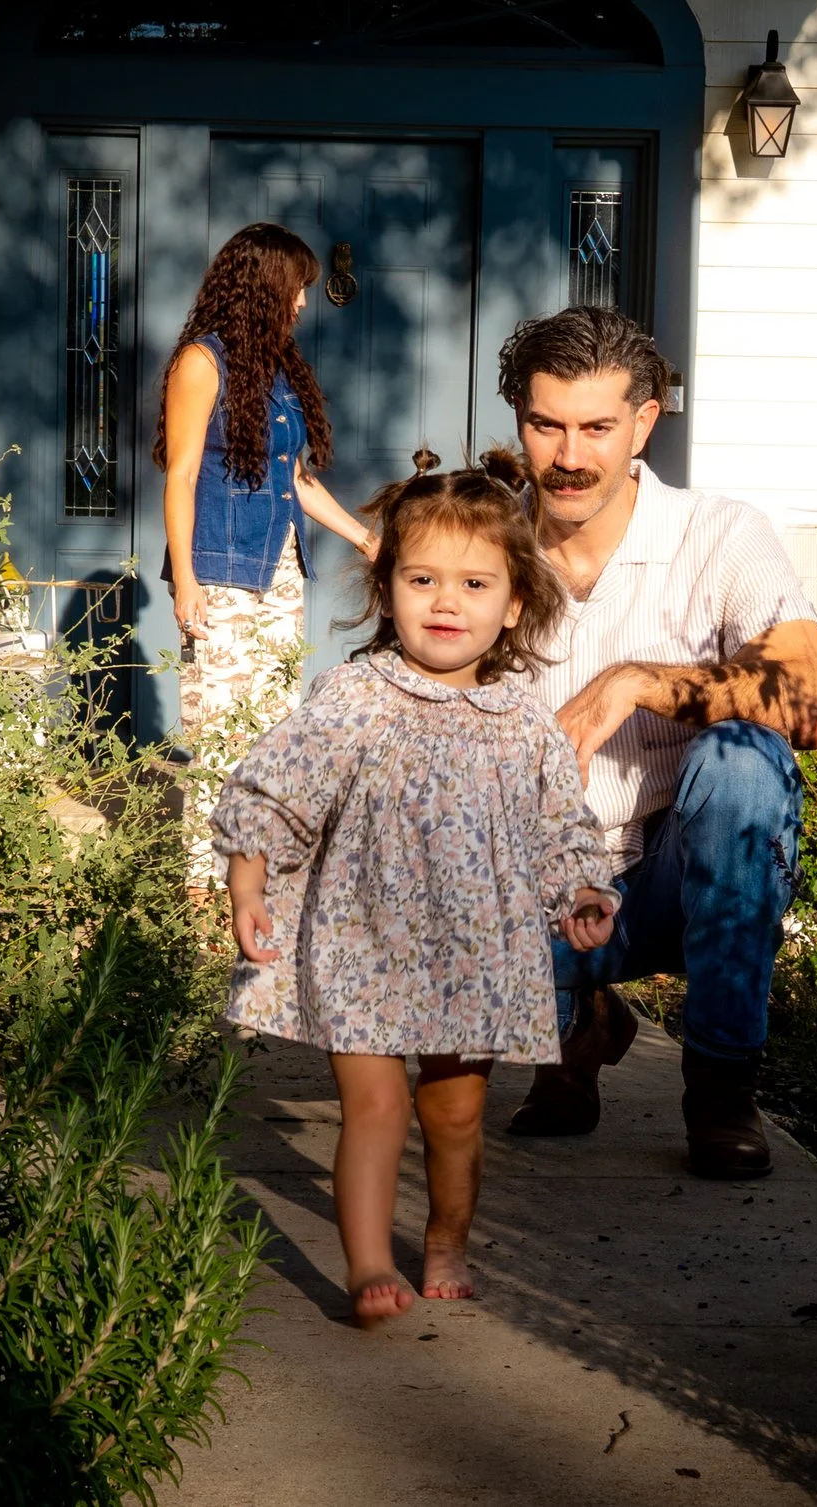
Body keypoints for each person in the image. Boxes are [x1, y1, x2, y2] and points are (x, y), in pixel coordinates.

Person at [213, 455, 621, 1322]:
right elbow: (277, 787)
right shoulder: (357, 697)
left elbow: (561, 828)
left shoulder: (524, 723)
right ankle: (366, 1265)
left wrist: (582, 890)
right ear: (388, 586)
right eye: (422, 578)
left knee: (455, 1115)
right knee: (375, 1103)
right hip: (361, 944)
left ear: (513, 603)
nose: (445, 601)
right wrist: (247, 882)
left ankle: (445, 1238)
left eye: (474, 583)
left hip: (472, 957)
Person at [498, 306, 817, 1180]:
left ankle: (722, 1085)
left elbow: (812, 702)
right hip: (537, 882)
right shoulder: (483, 543)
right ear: (520, 421)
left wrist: (640, 682)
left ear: (644, 422)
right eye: (547, 425)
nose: (570, 456)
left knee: (743, 763)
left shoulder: (718, 534)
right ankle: (575, 1028)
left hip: (679, 880)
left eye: (597, 427)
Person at [157, 223, 376, 886]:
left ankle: (254, 877)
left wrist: (367, 537)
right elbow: (182, 475)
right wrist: (185, 581)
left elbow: (296, 478)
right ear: (262, 285)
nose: (304, 302)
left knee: (271, 732)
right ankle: (203, 891)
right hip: (220, 571)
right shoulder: (203, 362)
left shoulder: (277, 367)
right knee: (221, 733)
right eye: (297, 288)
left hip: (280, 569)